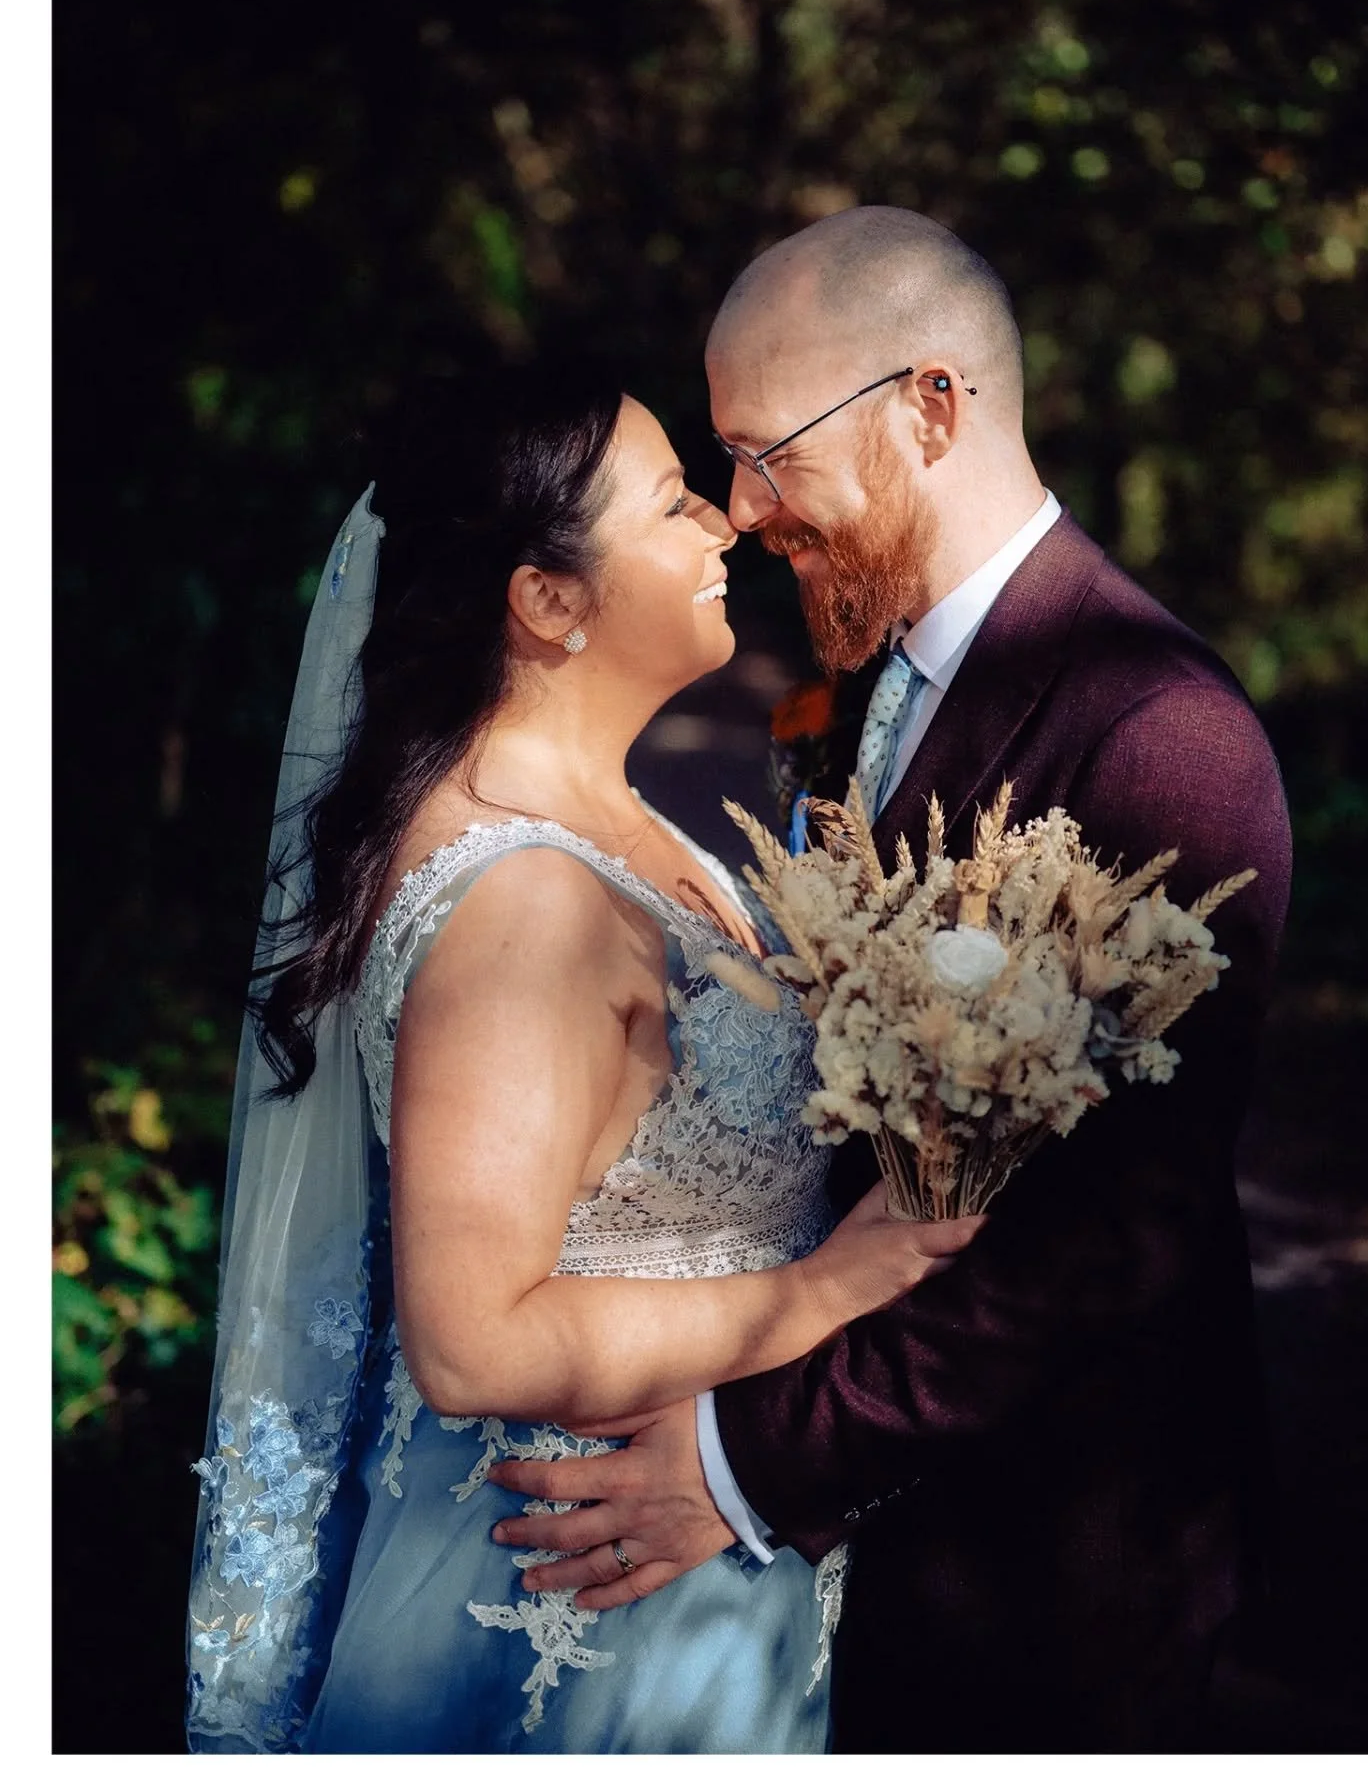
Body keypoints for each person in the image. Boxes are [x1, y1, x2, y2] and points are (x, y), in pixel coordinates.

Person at [485, 208, 1294, 1753]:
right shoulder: (869, 680)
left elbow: (1106, 1235)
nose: (744, 508)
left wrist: (741, 1464)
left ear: (933, 406)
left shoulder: (1161, 735)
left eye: (767, 450)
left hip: (1046, 1564)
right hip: (858, 1570)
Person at [184, 361, 985, 1754]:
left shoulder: (627, 821)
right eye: (674, 502)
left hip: (692, 1591)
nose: (724, 529)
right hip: (558, 1617)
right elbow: (472, 1335)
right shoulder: (522, 904)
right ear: (548, 600)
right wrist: (822, 1291)